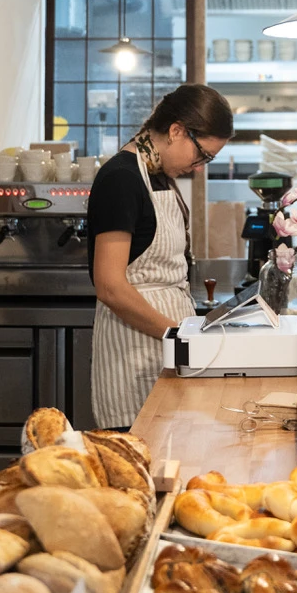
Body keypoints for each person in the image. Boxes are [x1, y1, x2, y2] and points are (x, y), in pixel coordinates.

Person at [87, 83, 233, 427]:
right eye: (202, 156)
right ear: (176, 130)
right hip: (132, 360)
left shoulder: (159, 176)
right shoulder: (121, 179)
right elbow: (109, 285)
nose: (199, 168)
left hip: (162, 356)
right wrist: (176, 334)